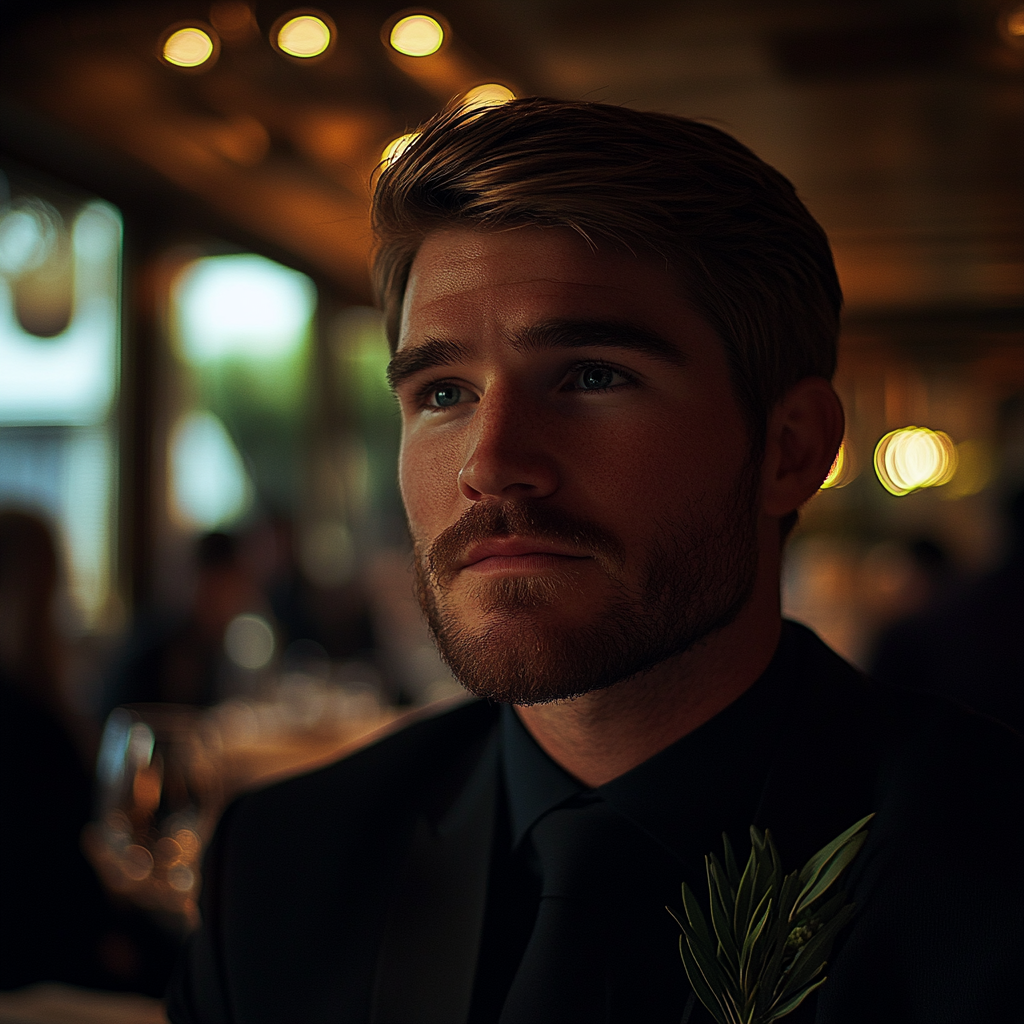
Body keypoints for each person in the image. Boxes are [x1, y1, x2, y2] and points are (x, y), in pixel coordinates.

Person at [167, 99, 1021, 1023]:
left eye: (591, 375)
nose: (489, 463)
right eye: (443, 392)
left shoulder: (992, 872)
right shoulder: (284, 862)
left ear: (789, 449)